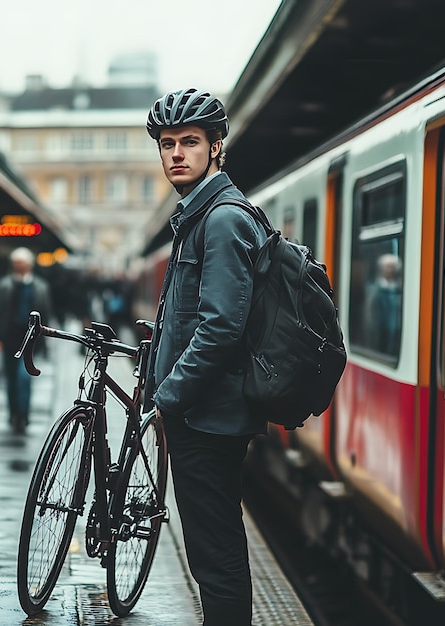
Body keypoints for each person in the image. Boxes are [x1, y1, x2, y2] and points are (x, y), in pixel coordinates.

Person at [144, 88, 269, 626]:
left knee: (215, 560)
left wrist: (168, 398)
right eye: (168, 143)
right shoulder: (200, 215)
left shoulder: (220, 219)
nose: (176, 153)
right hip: (204, 411)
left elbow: (220, 328)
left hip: (207, 417)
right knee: (211, 554)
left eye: (189, 142)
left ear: (216, 146)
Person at [0, 247, 52, 433]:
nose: (19, 266)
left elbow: (47, 313)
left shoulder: (41, 287)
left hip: (30, 339)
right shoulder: (3, 286)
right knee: (11, 378)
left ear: (29, 264)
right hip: (10, 337)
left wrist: (45, 340)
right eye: (16, 263)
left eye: (22, 263)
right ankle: (13, 413)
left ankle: (24, 414)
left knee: (24, 377)